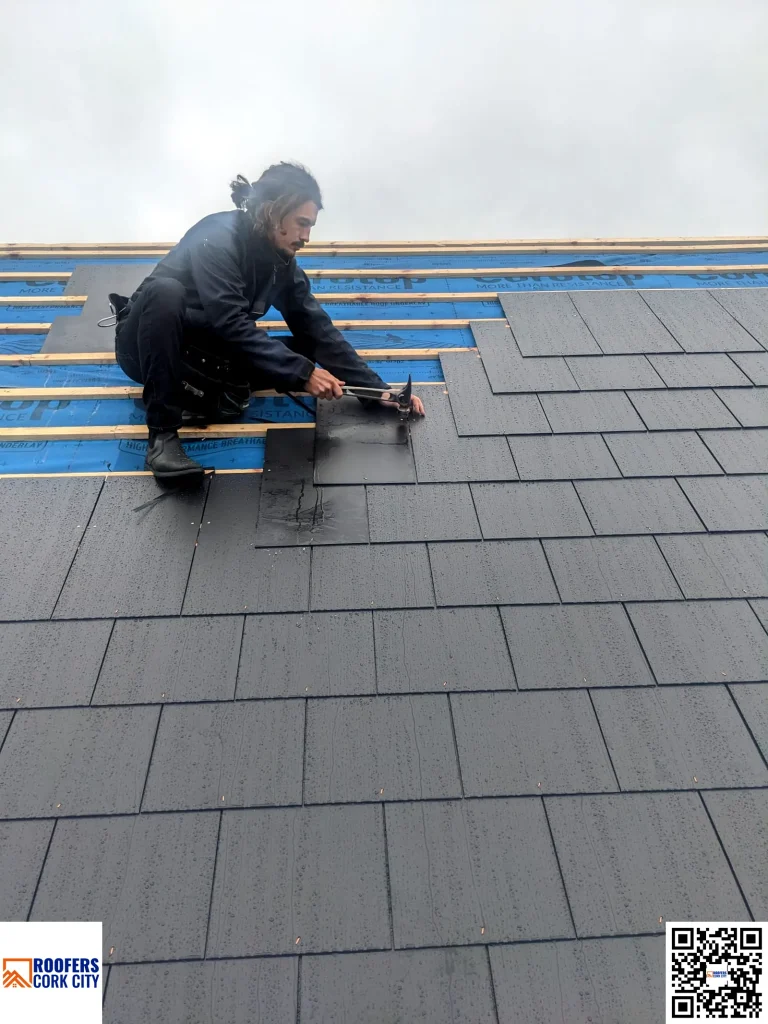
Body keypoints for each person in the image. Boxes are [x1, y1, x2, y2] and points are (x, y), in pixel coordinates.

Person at [114, 161, 425, 480]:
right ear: (274, 212)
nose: (306, 237)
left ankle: (206, 394)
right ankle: (162, 438)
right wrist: (304, 375)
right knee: (165, 292)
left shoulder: (281, 264)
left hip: (203, 355)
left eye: (311, 227)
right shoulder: (217, 236)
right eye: (302, 223)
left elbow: (316, 329)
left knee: (300, 350)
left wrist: (378, 391)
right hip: (146, 347)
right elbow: (229, 321)